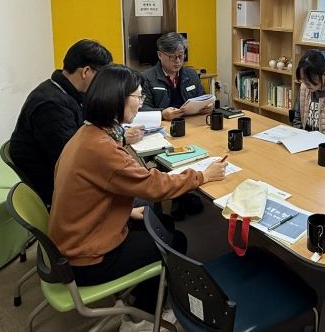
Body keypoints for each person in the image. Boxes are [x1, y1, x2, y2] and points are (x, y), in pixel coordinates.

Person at [48, 64, 226, 328]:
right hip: (87, 259)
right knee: (174, 242)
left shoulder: (87, 134)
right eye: (138, 97)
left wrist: (127, 211)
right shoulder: (103, 149)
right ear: (117, 99)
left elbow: (90, 193)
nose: (141, 103)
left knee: (162, 223)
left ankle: (142, 297)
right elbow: (153, 185)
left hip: (72, 241)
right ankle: (141, 317)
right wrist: (203, 176)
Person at [10, 39, 144, 205]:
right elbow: (75, 157)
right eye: (101, 76)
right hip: (57, 188)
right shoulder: (51, 104)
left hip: (69, 177)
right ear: (86, 72)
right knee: (141, 196)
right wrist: (120, 139)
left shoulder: (67, 92)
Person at [141, 32, 212, 120]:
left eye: (181, 56)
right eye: (172, 57)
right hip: (163, 124)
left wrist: (207, 107)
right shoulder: (146, 78)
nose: (178, 61)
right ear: (160, 55)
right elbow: (142, 109)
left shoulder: (191, 74)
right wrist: (162, 114)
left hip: (191, 122)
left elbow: (202, 98)